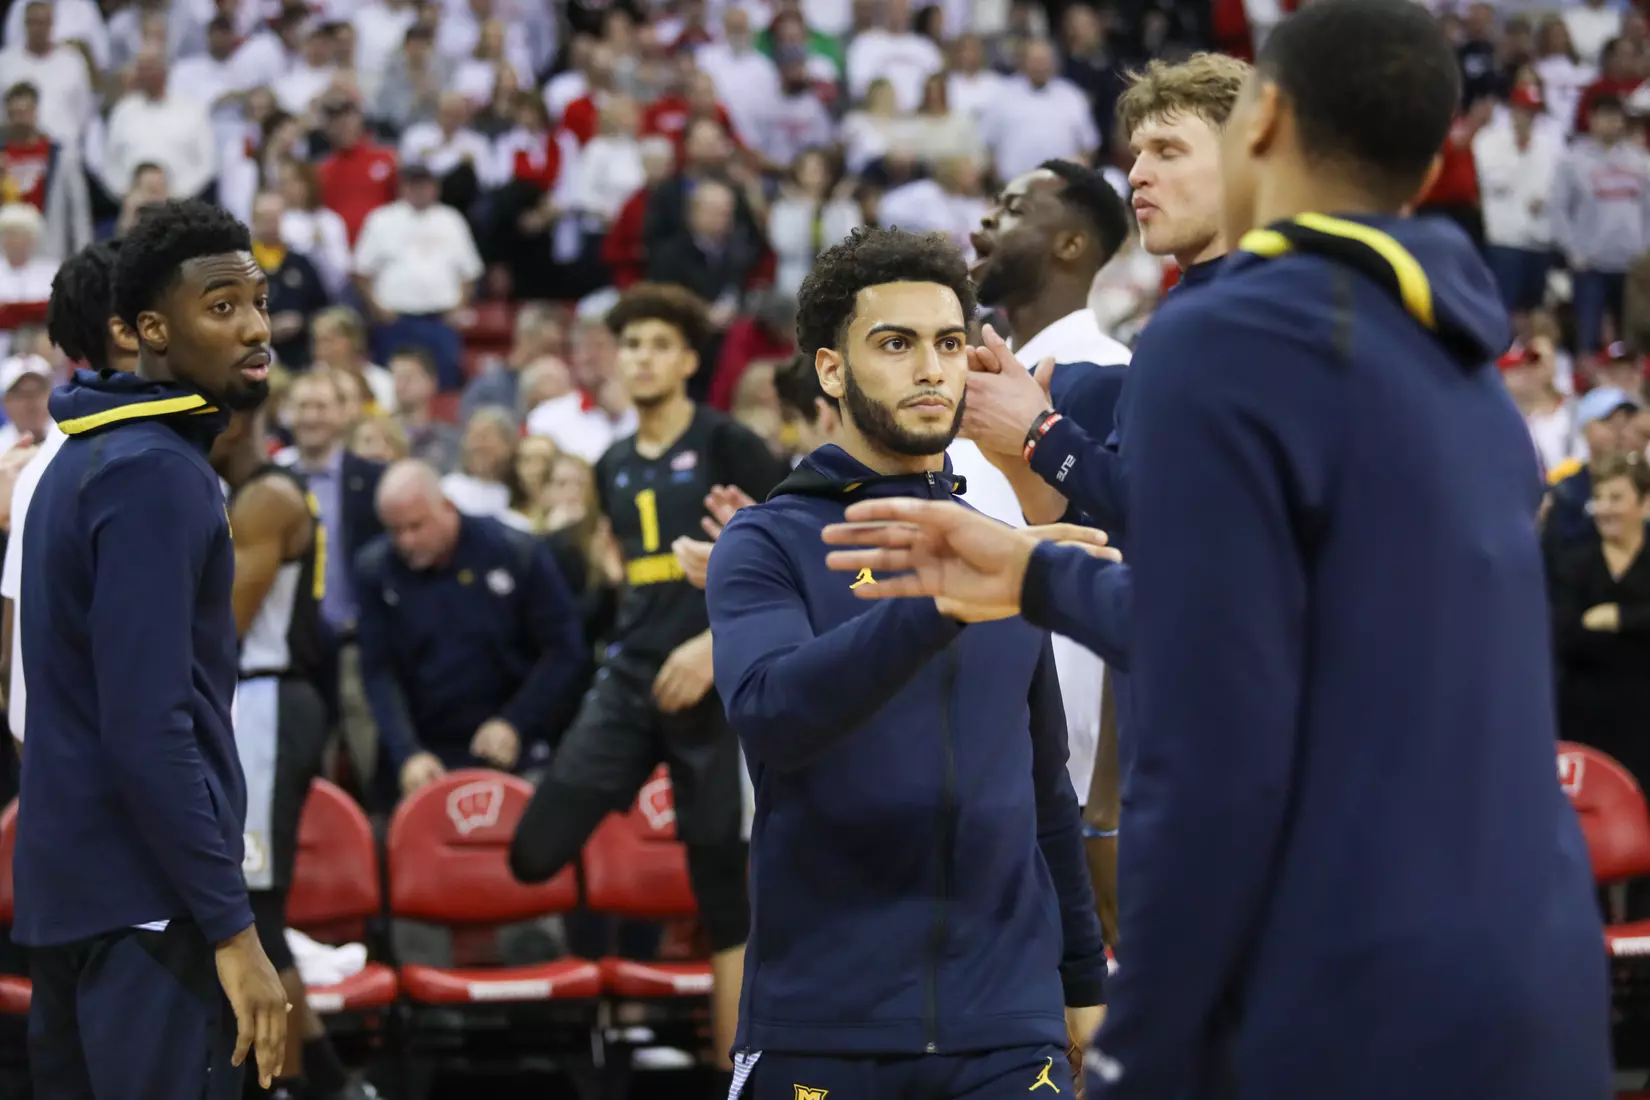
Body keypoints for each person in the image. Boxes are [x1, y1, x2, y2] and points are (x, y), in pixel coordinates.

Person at [820, 2, 1612, 1096]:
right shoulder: (1473, 367)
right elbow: (1298, 635)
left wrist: (1142, 1039)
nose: (1140, 169)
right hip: (1536, 967)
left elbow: (1216, 718)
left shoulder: (1223, 332)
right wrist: (1039, 571)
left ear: (1264, 120)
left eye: (1166, 147)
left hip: (1336, 974)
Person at [704, 226, 1108, 1098]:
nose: (932, 369)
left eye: (949, 343)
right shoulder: (765, 540)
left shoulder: (1001, 551)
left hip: (1009, 1026)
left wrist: (1083, 985)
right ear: (832, 370)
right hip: (823, 1021)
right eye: (896, 344)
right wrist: (938, 601)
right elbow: (773, 715)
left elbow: (1045, 791)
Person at [16, 199, 290, 1097]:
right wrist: (233, 931)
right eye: (220, 307)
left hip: (75, 902)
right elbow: (149, 726)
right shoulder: (158, 474)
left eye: (258, 301)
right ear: (145, 331)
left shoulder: (80, 456)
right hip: (150, 910)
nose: (254, 326)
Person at [508, 283, 788, 1071]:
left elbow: (787, 561)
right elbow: (630, 578)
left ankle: (736, 1077)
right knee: (535, 851)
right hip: (633, 678)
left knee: (726, 904)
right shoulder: (612, 463)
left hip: (715, 683)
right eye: (631, 345)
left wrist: (713, 644)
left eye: (660, 345)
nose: (641, 358)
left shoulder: (729, 442)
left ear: (692, 361)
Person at [210, 396, 375, 1100]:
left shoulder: (266, 498)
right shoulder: (241, 494)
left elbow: (220, 627)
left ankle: (298, 1083)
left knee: (257, 903)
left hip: (270, 700)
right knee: (251, 900)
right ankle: (330, 1082)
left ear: (237, 422)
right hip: (255, 701)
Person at [355, 459, 587, 786]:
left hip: (511, 745)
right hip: (425, 754)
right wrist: (407, 751)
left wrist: (516, 723)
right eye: (395, 530)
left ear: (447, 508)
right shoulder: (375, 569)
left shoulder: (514, 551)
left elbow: (564, 649)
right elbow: (377, 670)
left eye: (416, 526)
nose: (405, 541)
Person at [1, 241, 135, 758]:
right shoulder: (142, 463)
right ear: (136, 327)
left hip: (57, 767)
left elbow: (14, 651)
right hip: (123, 783)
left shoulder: (40, 469)